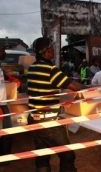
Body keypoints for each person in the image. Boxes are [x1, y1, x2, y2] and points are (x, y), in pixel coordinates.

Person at [27, 37, 86, 172]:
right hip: (47, 120)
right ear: (47, 51)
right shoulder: (50, 69)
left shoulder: (33, 67)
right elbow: (74, 86)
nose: (54, 51)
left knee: (42, 154)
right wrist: (93, 87)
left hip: (33, 117)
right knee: (67, 154)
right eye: (52, 48)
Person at [0, 47, 21, 166]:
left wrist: (14, 80)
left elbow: (6, 77)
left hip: (4, 104)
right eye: (2, 50)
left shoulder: (0, 69)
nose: (5, 53)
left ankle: (5, 157)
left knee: (7, 132)